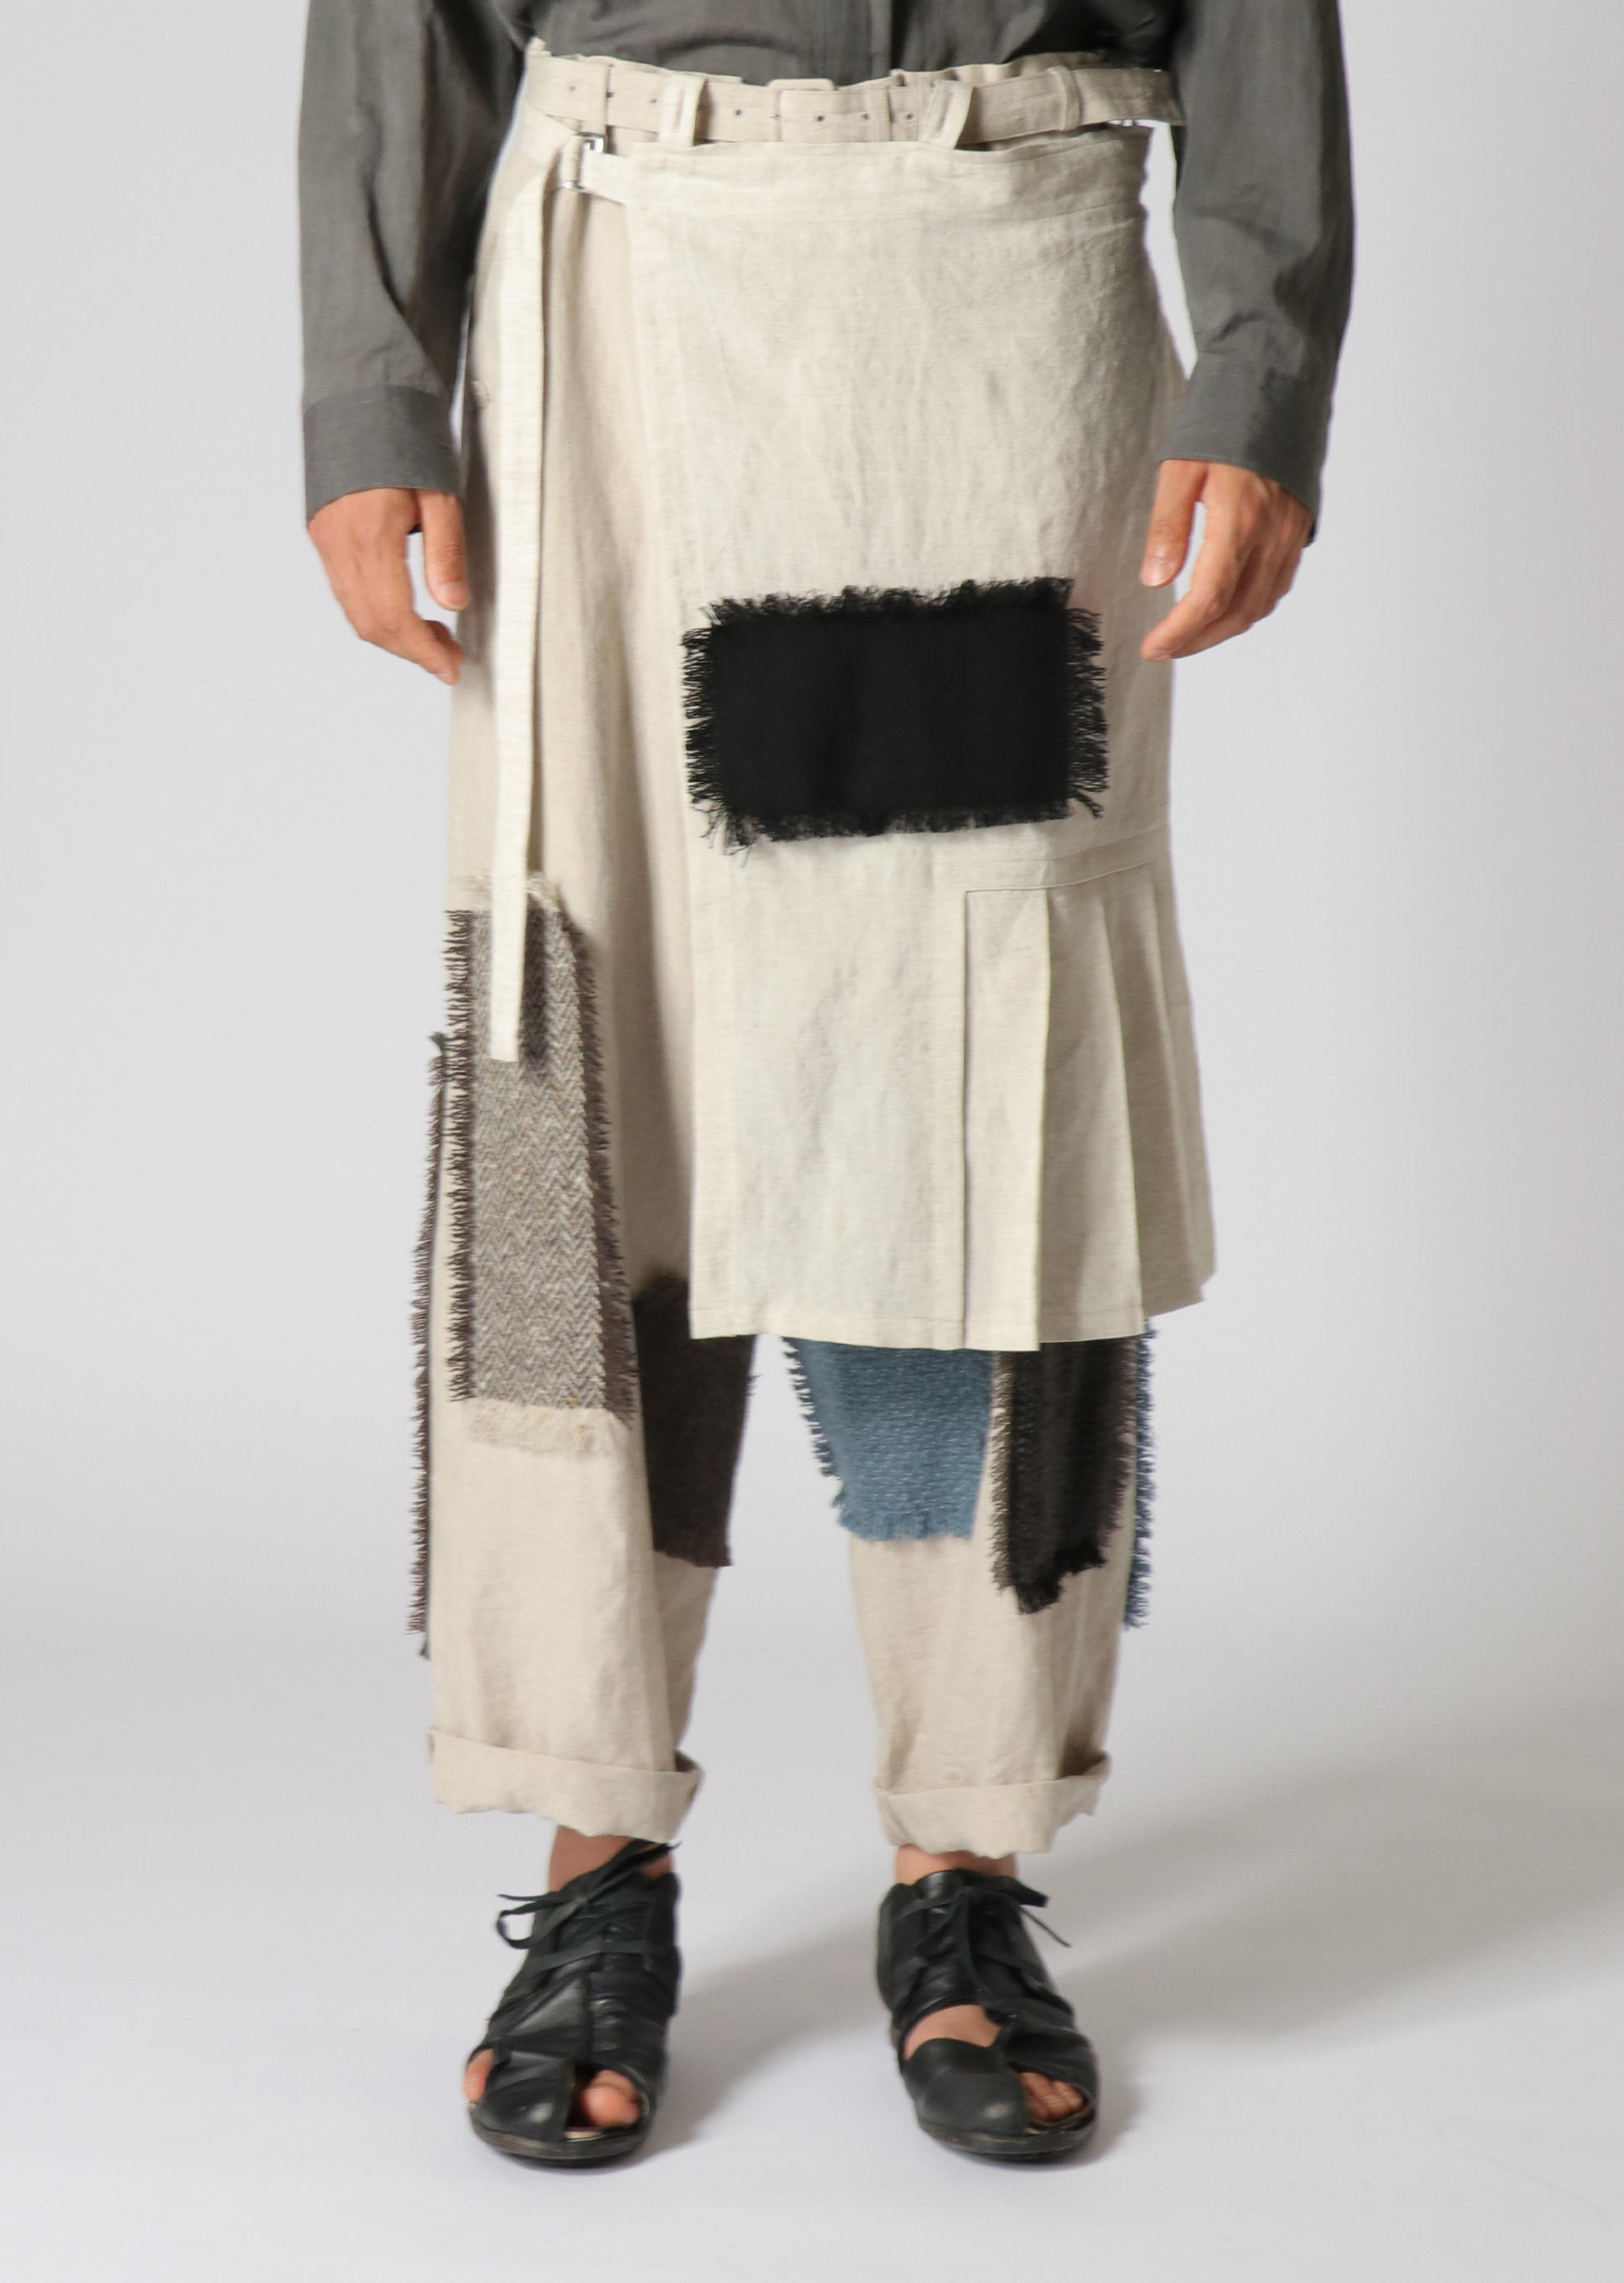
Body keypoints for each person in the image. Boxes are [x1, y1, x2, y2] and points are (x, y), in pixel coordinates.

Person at [299, 2, 1352, 2168]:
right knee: (599, 1085)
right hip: (623, 305)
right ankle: (596, 1860)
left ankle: (963, 1860)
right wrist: (369, 379)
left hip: (1009, 301)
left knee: (971, 1086)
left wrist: (1265, 359)